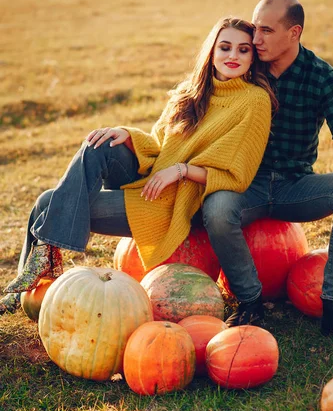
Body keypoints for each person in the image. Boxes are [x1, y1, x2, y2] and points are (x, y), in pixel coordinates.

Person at [0, 17, 274, 315]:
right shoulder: (189, 91)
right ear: (212, 51)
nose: (233, 56)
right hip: (153, 180)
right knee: (99, 142)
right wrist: (127, 136)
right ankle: (33, 279)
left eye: (243, 50)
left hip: (178, 200)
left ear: (252, 57)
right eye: (225, 47)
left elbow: (237, 175)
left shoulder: (254, 101)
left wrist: (181, 170)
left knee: (46, 204)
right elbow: (159, 145)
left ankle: (35, 269)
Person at [202, 0, 333, 345]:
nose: (255, 40)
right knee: (218, 209)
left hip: (294, 186)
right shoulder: (246, 67)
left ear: (294, 33)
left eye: (266, 31)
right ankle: (251, 301)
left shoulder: (321, 76)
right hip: (245, 185)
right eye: (255, 29)